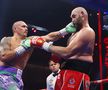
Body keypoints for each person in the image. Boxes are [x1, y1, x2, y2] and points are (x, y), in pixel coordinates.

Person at [0, 20, 76, 90]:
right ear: (15, 29)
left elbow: (49, 37)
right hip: (4, 75)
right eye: (23, 26)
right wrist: (23, 47)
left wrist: (65, 30)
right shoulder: (7, 40)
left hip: (17, 77)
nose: (26, 28)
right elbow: (4, 56)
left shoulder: (30, 40)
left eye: (27, 27)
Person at [40, 7, 95, 90]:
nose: (72, 20)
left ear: (82, 14)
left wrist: (44, 45)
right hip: (65, 71)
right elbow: (52, 36)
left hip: (77, 72)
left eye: (74, 16)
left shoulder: (87, 31)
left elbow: (67, 52)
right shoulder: (74, 33)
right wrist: (64, 30)